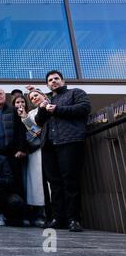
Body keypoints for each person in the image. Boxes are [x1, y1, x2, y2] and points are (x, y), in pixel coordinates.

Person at [35, 70, 91, 232]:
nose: (53, 81)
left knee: (70, 181)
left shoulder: (76, 93)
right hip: (49, 146)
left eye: (56, 78)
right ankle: (57, 218)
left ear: (63, 80)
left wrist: (57, 109)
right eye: (50, 80)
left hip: (70, 142)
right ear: (47, 84)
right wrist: (43, 108)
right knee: (55, 184)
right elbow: (39, 122)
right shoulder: (47, 99)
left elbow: (84, 108)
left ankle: (74, 219)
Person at [16, 88, 51, 226]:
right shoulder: (30, 113)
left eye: (37, 95)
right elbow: (33, 132)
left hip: (51, 146)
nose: (34, 98)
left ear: (43, 95)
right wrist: (26, 119)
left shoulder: (51, 106)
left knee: (51, 183)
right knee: (37, 183)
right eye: (32, 98)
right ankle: (41, 214)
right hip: (36, 150)